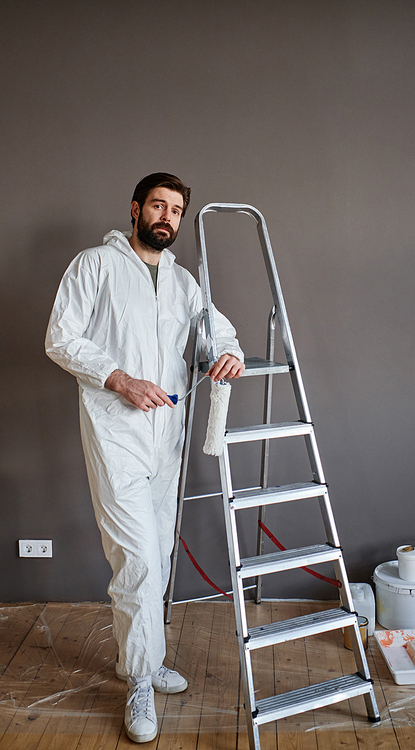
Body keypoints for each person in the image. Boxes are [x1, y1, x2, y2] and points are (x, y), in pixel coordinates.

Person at [45, 172, 245, 743]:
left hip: (168, 434)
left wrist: (227, 354)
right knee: (135, 558)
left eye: (177, 210)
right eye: (158, 205)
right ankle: (137, 680)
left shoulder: (183, 282)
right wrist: (120, 379)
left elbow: (217, 332)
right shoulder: (95, 265)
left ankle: (148, 660)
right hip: (116, 431)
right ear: (135, 209)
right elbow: (60, 336)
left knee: (157, 549)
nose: (167, 217)